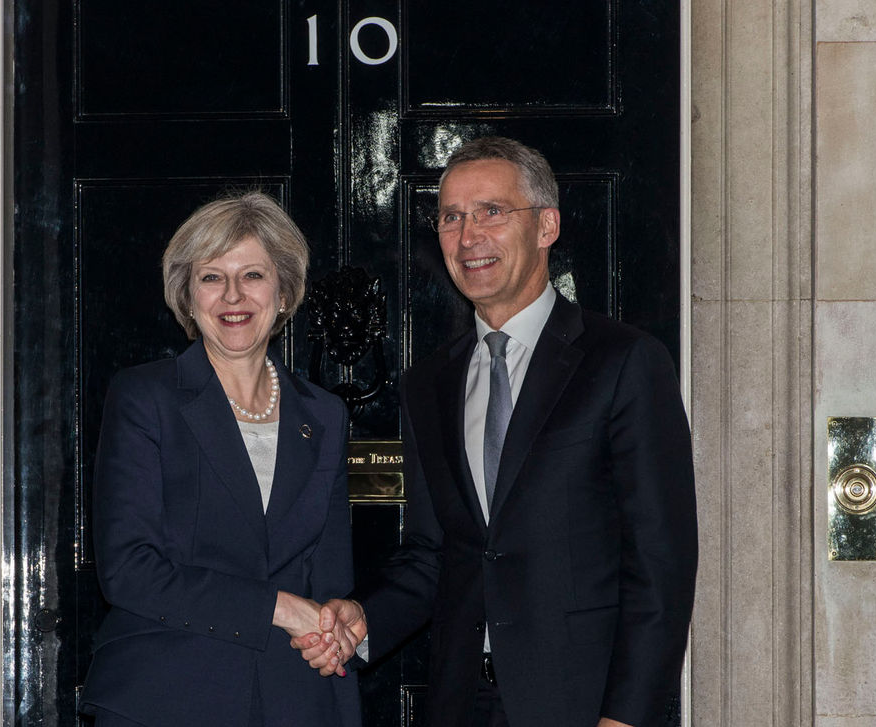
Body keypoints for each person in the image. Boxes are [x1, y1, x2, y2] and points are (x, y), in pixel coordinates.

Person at [296, 137, 698, 727]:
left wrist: (627, 717)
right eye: (451, 217)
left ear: (546, 226)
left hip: (583, 706)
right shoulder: (428, 384)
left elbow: (661, 561)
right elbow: (434, 555)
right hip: (462, 704)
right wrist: (364, 618)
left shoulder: (624, 363)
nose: (467, 236)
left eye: (491, 211)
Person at [79, 192, 362, 726]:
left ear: (283, 293)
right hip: (166, 696)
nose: (233, 295)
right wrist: (278, 607)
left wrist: (338, 622)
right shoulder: (146, 397)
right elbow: (128, 570)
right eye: (211, 277)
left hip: (296, 699)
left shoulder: (324, 414)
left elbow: (329, 578)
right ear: (188, 297)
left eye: (252, 274)